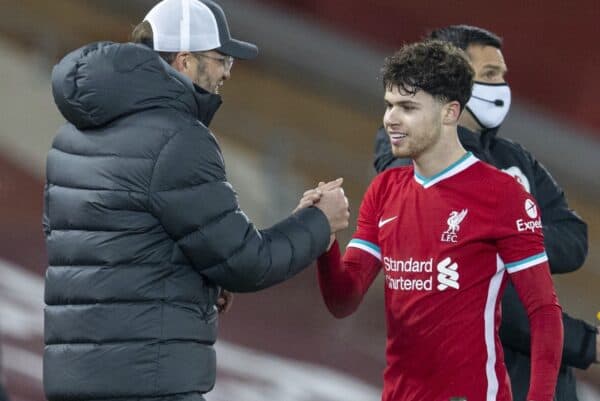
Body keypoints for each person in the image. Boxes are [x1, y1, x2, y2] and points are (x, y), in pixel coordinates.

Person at [43, 1, 349, 401]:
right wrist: (320, 223)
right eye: (220, 59)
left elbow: (113, 248)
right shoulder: (178, 139)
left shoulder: (71, 136)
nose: (225, 71)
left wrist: (199, 279)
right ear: (185, 60)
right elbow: (247, 262)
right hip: (148, 385)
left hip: (73, 381)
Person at [314, 40, 563, 401]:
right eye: (389, 105)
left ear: (449, 112)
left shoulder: (502, 196)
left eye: (407, 107)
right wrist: (325, 238)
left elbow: (543, 312)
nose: (390, 119)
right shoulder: (384, 190)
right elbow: (344, 300)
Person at [373, 25, 596, 401]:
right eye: (490, 75)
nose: (502, 87)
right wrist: (589, 344)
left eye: (503, 76)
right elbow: (491, 306)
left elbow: (574, 238)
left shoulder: (514, 159)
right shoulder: (414, 163)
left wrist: (507, 237)